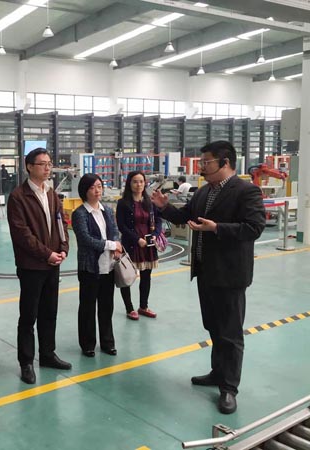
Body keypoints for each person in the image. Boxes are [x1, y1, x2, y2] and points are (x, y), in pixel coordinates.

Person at [151, 141, 265, 414]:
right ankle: (217, 372)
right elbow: (185, 216)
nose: (202, 166)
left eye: (207, 162)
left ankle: (229, 388)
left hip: (230, 274)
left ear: (224, 162)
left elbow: (254, 227)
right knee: (214, 327)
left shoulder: (246, 191)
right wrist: (165, 207)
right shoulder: (203, 191)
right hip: (205, 271)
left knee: (231, 333)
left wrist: (217, 228)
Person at [7, 148, 71, 384]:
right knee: (29, 315)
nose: (47, 168)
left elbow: (62, 223)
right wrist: (47, 254)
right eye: (42, 163)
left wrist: (63, 248)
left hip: (53, 263)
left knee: (49, 312)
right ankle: (26, 362)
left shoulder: (51, 194)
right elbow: (22, 235)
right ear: (29, 166)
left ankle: (47, 354)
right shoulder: (18, 197)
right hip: (32, 266)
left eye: (49, 163)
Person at [71, 174, 123, 357]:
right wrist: (111, 245)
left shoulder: (107, 210)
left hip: (108, 267)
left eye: (99, 186)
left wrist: (116, 245)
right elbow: (85, 239)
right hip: (90, 268)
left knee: (107, 306)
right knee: (87, 307)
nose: (97, 190)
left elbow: (114, 231)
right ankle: (88, 344)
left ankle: (107, 342)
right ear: (84, 191)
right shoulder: (79, 214)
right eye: (92, 187)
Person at [116, 171, 162, 321]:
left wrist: (155, 234)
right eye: (135, 181)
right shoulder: (123, 203)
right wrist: (137, 239)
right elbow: (122, 226)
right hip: (132, 244)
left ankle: (143, 306)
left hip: (148, 245)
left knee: (146, 277)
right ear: (129, 184)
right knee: (126, 276)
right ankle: (129, 308)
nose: (139, 184)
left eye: (141, 181)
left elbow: (158, 220)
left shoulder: (150, 202)